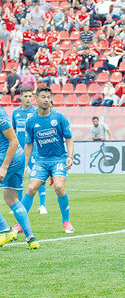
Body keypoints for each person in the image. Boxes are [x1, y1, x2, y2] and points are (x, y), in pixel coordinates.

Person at [13, 86, 74, 234]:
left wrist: (70, 156)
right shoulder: (31, 120)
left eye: (48, 97)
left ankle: (66, 221)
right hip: (41, 161)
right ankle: (21, 224)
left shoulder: (59, 116)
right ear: (37, 99)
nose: (46, 100)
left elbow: (69, 138)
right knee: (30, 188)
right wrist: (25, 165)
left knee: (59, 187)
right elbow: (29, 143)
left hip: (59, 159)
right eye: (43, 97)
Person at [0, 106, 40, 249]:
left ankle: (4, 230)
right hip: (16, 157)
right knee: (11, 198)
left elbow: (14, 141)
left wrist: (4, 166)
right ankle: (31, 238)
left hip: (8, 158)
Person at [11, 87, 47, 213]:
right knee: (19, 177)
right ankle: (18, 205)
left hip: (35, 150)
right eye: (25, 96)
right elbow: (13, 132)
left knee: (38, 176)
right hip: (19, 151)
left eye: (30, 96)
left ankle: (43, 205)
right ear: (21, 97)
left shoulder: (37, 112)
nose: (28, 99)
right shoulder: (16, 113)